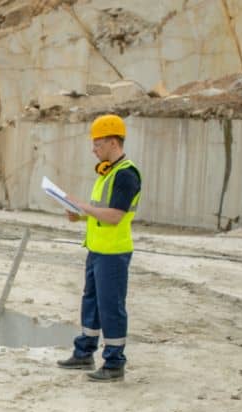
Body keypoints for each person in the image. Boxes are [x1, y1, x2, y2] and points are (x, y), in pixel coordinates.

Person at [57, 113, 142, 382]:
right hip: (97, 250)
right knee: (91, 303)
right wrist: (79, 214)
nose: (94, 149)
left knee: (110, 307)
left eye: (98, 144)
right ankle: (84, 352)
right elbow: (100, 212)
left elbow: (115, 215)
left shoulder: (126, 175)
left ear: (113, 142)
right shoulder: (107, 172)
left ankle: (114, 363)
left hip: (114, 254)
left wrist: (83, 207)